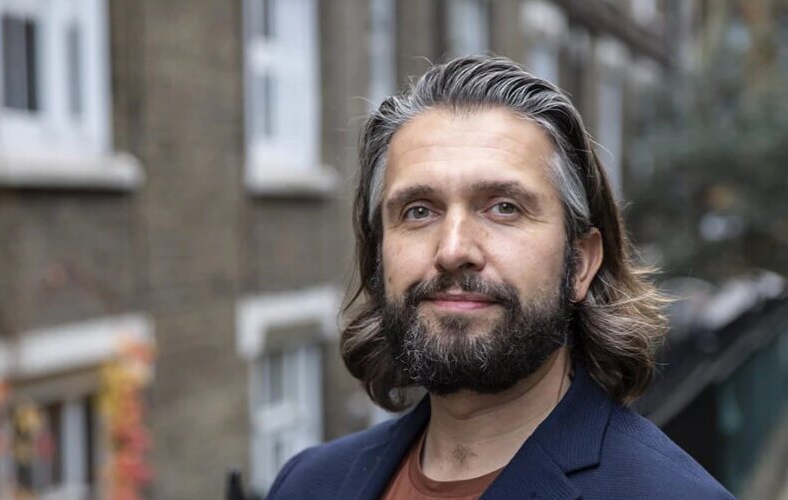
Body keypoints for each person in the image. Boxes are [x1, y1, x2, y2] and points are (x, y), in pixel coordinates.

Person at [266, 56, 734, 499]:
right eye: (419, 211)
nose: (454, 250)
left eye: (504, 208)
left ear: (580, 263)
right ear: (379, 256)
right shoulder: (307, 485)